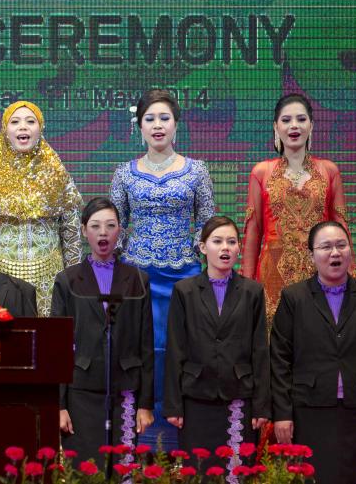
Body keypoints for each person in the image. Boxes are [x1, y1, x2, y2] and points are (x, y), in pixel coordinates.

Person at [110, 89, 214, 448]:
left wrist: (201, 257)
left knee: (181, 348)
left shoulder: (196, 170)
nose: (157, 125)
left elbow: (207, 225)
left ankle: (182, 431)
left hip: (184, 276)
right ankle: (140, 434)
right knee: (141, 349)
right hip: (138, 280)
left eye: (164, 118)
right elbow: (115, 225)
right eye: (149, 119)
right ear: (139, 126)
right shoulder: (124, 173)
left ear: (176, 124)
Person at [270, 221, 356, 484]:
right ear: (311, 255)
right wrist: (282, 413)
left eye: (341, 245)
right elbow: (280, 360)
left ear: (350, 251)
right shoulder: (294, 298)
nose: (335, 253)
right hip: (310, 409)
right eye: (326, 247)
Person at [52, 197, 154, 468]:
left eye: (110, 225)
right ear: (84, 231)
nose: (103, 232)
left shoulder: (137, 280)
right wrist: (59, 406)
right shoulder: (67, 280)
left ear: (120, 229)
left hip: (126, 391)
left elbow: (146, 344)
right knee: (87, 469)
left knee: (122, 469)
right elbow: (58, 348)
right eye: (95, 226)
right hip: (81, 390)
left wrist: (145, 404)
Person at [164, 216, 269, 474]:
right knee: (199, 472)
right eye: (217, 241)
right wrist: (174, 405)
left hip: (239, 395)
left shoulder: (252, 291)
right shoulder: (184, 291)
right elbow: (175, 349)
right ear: (202, 247)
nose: (225, 248)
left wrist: (261, 405)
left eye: (231, 242)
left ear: (238, 248)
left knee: (236, 472)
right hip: (196, 397)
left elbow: (260, 351)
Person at [242, 92, 355, 321]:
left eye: (301, 119)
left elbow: (342, 228)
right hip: (273, 273)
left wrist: (350, 275)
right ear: (276, 126)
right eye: (286, 120)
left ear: (311, 125)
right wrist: (245, 286)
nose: (294, 126)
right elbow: (252, 233)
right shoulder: (261, 172)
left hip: (320, 271)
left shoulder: (329, 171)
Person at [0, 101, 82, 316]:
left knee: (46, 341)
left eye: (31, 121)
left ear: (40, 128)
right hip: (0, 274)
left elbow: (72, 232)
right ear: (5, 130)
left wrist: (73, 280)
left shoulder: (57, 173)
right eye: (15, 122)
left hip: (50, 276)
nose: (23, 127)